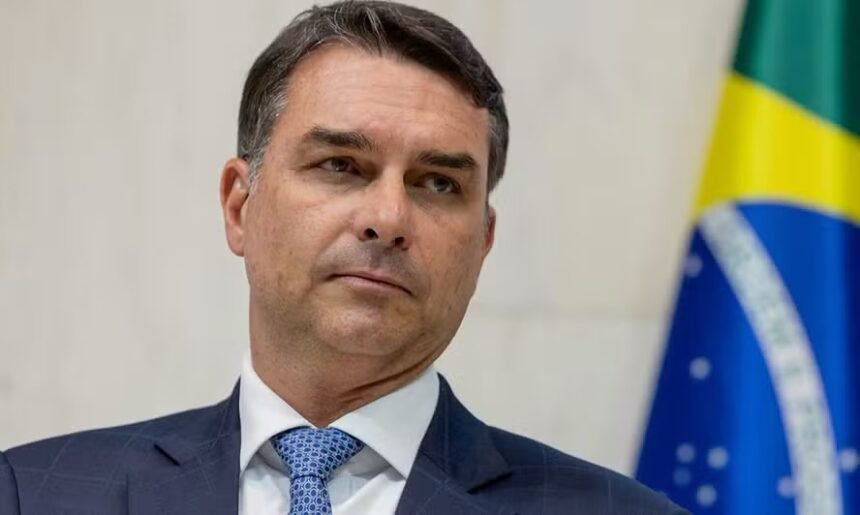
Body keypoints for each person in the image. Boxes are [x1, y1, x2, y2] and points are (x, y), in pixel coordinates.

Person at [0, 1, 688, 513]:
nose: (387, 219)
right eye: (340, 165)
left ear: (482, 243)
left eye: (438, 183)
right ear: (240, 206)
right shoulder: (33, 494)